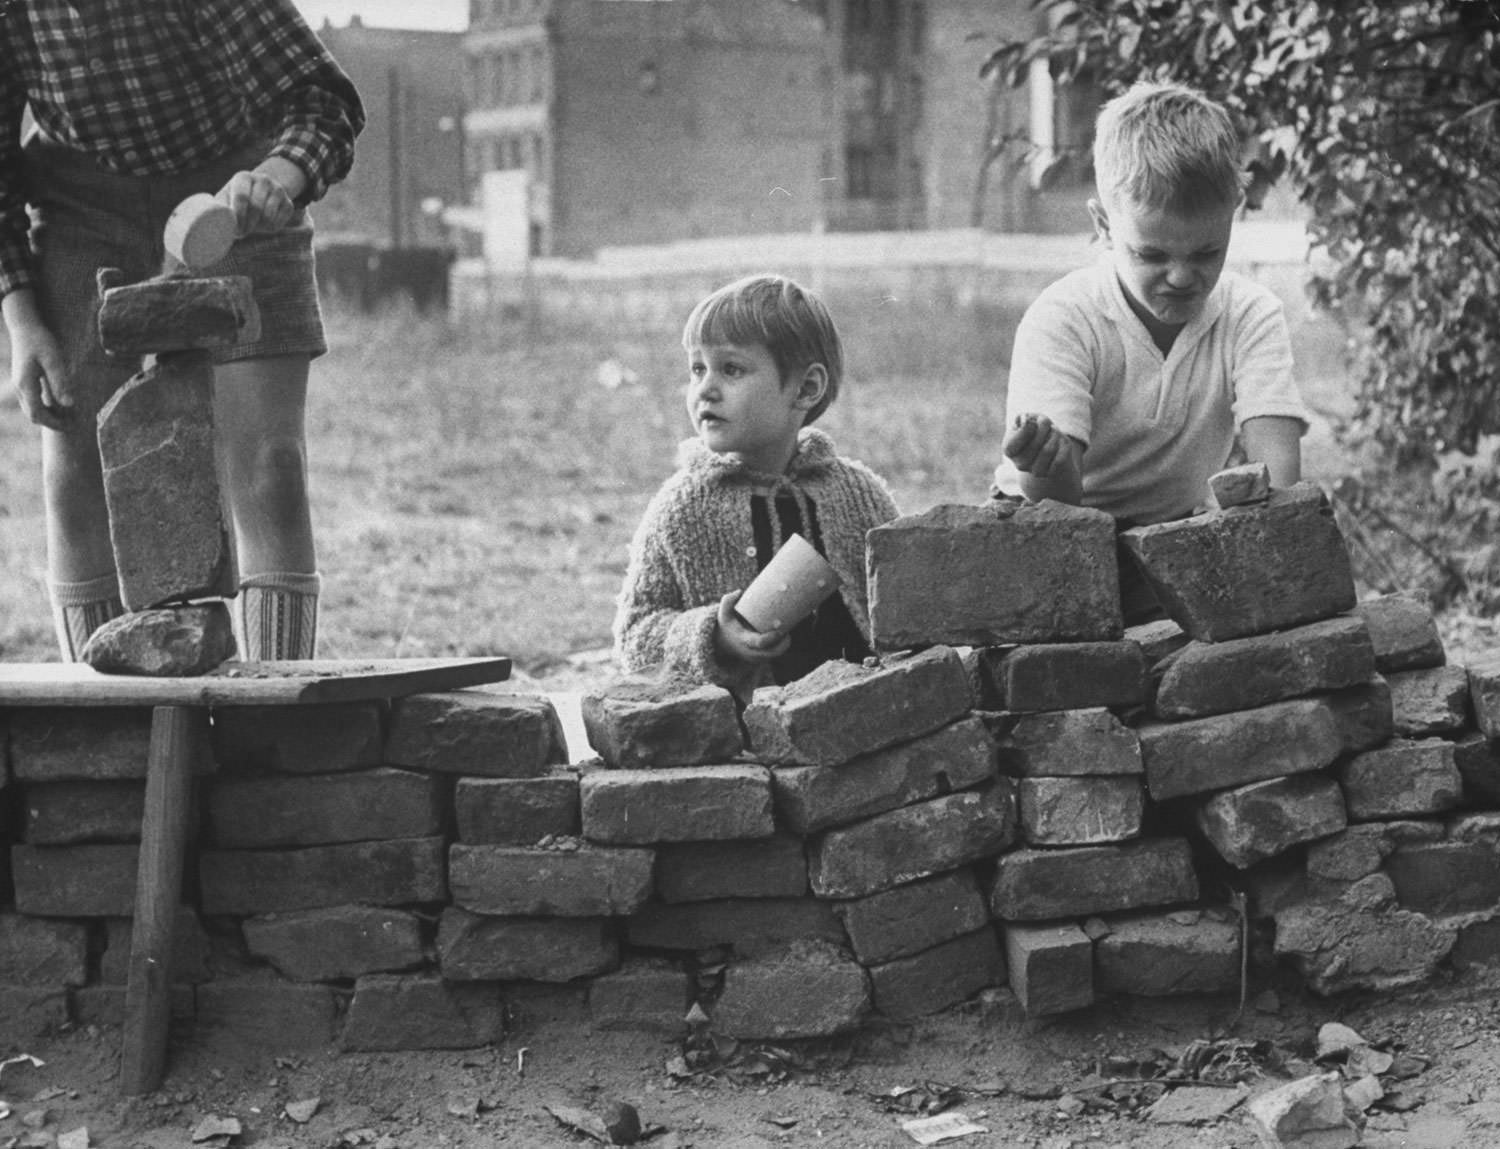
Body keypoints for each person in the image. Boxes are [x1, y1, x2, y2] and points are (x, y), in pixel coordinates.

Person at [1, 1, 364, 661]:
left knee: (269, 467)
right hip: (81, 202)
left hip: (233, 188)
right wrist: (23, 319)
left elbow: (322, 103)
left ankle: (271, 723)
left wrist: (272, 183)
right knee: (74, 458)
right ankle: (106, 736)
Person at [994, 81, 1309, 530]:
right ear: (1103, 225)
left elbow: (1279, 482)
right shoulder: (1064, 318)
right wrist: (1044, 463)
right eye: (1152, 255)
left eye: (1206, 253)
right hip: (1043, 524)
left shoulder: (1251, 316)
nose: (1181, 277)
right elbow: (1058, 508)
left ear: (1232, 211)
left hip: (1167, 531)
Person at [614, 273, 900, 696]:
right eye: (697, 369)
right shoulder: (681, 507)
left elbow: (904, 605)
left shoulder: (860, 497)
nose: (705, 389)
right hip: (741, 737)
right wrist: (716, 637)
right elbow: (635, 636)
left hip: (859, 717)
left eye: (731, 369)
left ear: (806, 388)